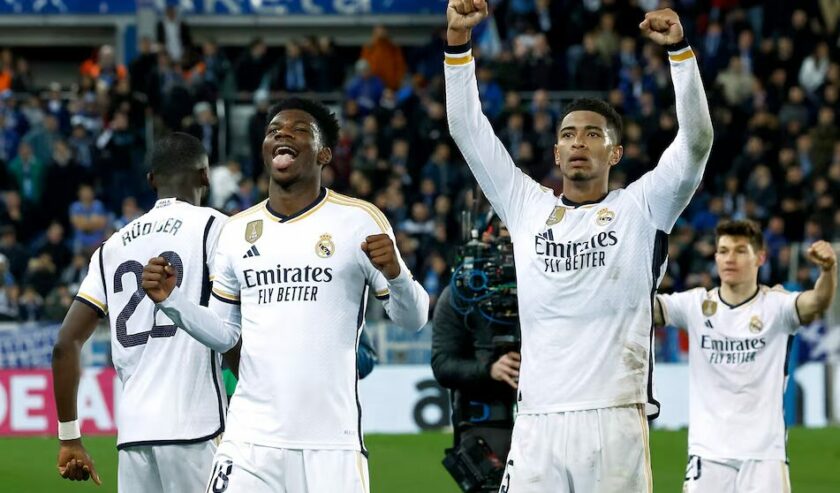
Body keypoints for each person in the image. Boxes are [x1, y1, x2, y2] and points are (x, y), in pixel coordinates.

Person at [444, 2, 714, 491]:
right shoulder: (525, 206)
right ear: (555, 152)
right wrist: (458, 43)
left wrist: (680, 54)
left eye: (593, 134)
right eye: (568, 134)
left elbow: (696, 141)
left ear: (615, 152)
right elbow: (467, 129)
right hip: (536, 419)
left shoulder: (643, 208)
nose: (578, 142)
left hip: (613, 419)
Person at [141, 97, 429, 492]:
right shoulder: (238, 230)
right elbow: (226, 335)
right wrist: (172, 302)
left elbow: (413, 319)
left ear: (324, 153)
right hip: (249, 442)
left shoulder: (359, 220)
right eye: (274, 130)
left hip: (332, 444)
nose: (281, 134)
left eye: (297, 130)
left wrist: (396, 275)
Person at [51, 133, 228, 491]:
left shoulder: (110, 247)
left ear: (151, 180)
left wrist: (69, 438)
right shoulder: (217, 228)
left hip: (133, 435)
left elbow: (64, 344)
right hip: (196, 426)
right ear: (205, 176)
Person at [655, 220, 837, 493]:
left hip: (764, 455)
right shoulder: (694, 304)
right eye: (723, 250)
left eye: (740, 250)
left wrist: (828, 270)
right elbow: (647, 310)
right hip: (708, 453)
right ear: (715, 256)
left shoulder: (777, 306)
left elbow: (817, 301)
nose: (730, 258)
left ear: (760, 257)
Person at [432, 222, 520, 492]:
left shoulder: (549, 284)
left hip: (546, 418)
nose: (507, 247)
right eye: (503, 235)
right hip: (486, 420)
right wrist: (489, 369)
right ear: (485, 238)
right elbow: (442, 364)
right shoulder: (460, 294)